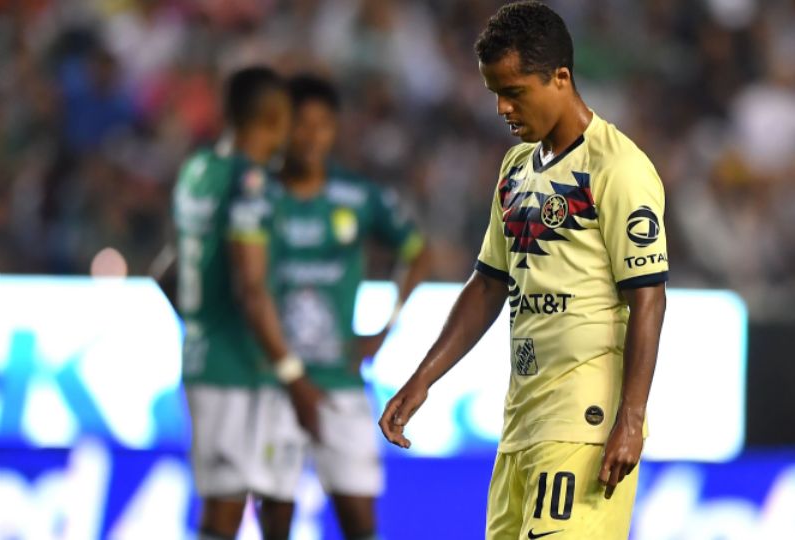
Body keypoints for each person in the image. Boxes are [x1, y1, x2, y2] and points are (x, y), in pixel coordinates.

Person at [378, 2, 669, 539]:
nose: (502, 108)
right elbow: (488, 284)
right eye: (494, 93)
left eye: (514, 92)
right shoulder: (516, 168)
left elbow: (648, 296)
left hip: (585, 422)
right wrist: (422, 379)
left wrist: (631, 418)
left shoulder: (618, 168)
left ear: (560, 78)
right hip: (520, 424)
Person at [256, 74, 430, 540]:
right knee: (274, 520)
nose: (312, 137)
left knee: (359, 521)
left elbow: (417, 252)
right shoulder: (256, 197)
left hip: (340, 382)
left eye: (323, 126)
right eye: (301, 124)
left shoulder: (357, 195)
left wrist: (385, 328)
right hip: (273, 385)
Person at [172, 66, 324, 540]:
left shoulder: (198, 171)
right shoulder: (251, 183)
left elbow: (166, 270)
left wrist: (204, 322)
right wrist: (293, 375)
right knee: (226, 511)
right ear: (276, 118)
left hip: (205, 358)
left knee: (232, 503)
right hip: (238, 369)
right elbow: (252, 289)